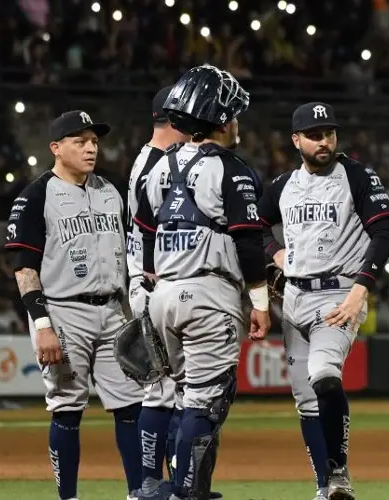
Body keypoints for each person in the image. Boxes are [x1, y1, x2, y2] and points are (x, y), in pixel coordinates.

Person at [133, 65, 270, 500]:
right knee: (206, 401)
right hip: (209, 293)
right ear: (225, 119)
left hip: (163, 293)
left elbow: (145, 230)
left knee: (170, 395)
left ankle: (160, 486)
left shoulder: (158, 168)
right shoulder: (232, 169)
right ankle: (185, 492)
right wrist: (261, 302)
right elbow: (249, 244)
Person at [258, 102, 389, 500]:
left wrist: (360, 289)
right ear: (296, 140)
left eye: (330, 133)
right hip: (295, 296)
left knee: (325, 376)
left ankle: (338, 473)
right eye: (315, 135)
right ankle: (325, 487)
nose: (325, 141)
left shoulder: (355, 175)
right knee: (306, 401)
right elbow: (256, 225)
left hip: (339, 294)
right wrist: (274, 252)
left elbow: (384, 233)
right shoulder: (283, 185)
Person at [3, 110, 144, 500]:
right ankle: (69, 497)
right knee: (67, 407)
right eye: (80, 141)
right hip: (64, 312)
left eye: (94, 141)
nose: (90, 148)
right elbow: (24, 268)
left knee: (130, 403)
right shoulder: (35, 196)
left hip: (114, 312)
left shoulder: (109, 192)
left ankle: (139, 492)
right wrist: (42, 324)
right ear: (56, 148)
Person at [126, 86, 224, 500]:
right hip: (155, 281)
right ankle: (152, 484)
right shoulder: (157, 164)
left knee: (173, 391)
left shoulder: (151, 161)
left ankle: (169, 484)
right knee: (163, 390)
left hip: (155, 282)